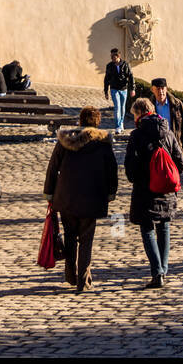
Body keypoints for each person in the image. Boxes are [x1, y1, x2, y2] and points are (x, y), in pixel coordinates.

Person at [43, 106, 118, 293]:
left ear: (80, 121)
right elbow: (112, 171)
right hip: (92, 198)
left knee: (70, 237)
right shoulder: (102, 144)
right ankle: (83, 280)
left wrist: (49, 193)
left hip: (67, 197)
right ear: (97, 122)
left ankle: (70, 274)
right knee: (86, 239)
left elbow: (52, 169)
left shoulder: (65, 141)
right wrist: (110, 192)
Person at [124, 98, 183, 289]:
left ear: (139, 114)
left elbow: (130, 166)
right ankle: (163, 269)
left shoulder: (137, 135)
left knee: (147, 229)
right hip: (166, 190)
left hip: (145, 190)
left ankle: (157, 272)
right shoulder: (168, 133)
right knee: (164, 227)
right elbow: (180, 162)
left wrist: (138, 178)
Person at [150, 78, 183, 157]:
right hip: (157, 148)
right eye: (158, 89)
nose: (161, 92)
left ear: (166, 88)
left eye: (162, 88)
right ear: (152, 90)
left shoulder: (177, 104)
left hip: (175, 146)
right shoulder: (149, 106)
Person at [103, 48, 135, 135]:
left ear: (118, 56)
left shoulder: (125, 65)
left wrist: (132, 89)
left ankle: (121, 123)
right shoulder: (109, 66)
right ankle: (117, 126)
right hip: (114, 89)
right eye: (111, 56)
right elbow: (106, 79)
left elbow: (131, 77)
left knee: (122, 107)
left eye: (113, 56)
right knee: (117, 107)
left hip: (124, 89)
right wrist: (106, 91)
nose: (112, 58)